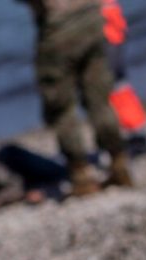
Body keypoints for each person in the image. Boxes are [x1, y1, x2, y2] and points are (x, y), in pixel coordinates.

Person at [17, 0, 132, 195]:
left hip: (58, 28)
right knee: (99, 98)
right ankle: (118, 161)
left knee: (61, 107)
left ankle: (81, 175)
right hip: (91, 18)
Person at [100, 0, 146, 155]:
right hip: (110, 32)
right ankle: (134, 133)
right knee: (117, 86)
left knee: (116, 87)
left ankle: (137, 134)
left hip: (107, 35)